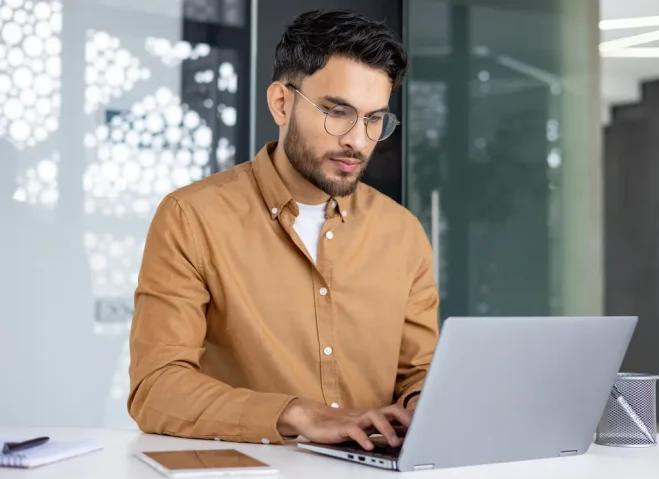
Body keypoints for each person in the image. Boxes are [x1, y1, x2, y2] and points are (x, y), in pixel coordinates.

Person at [127, 9, 439, 452]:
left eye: (374, 120)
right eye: (338, 112)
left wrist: (426, 402)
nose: (358, 140)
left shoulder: (403, 233)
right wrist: (296, 414)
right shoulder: (191, 217)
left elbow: (418, 372)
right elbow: (155, 388)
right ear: (281, 103)